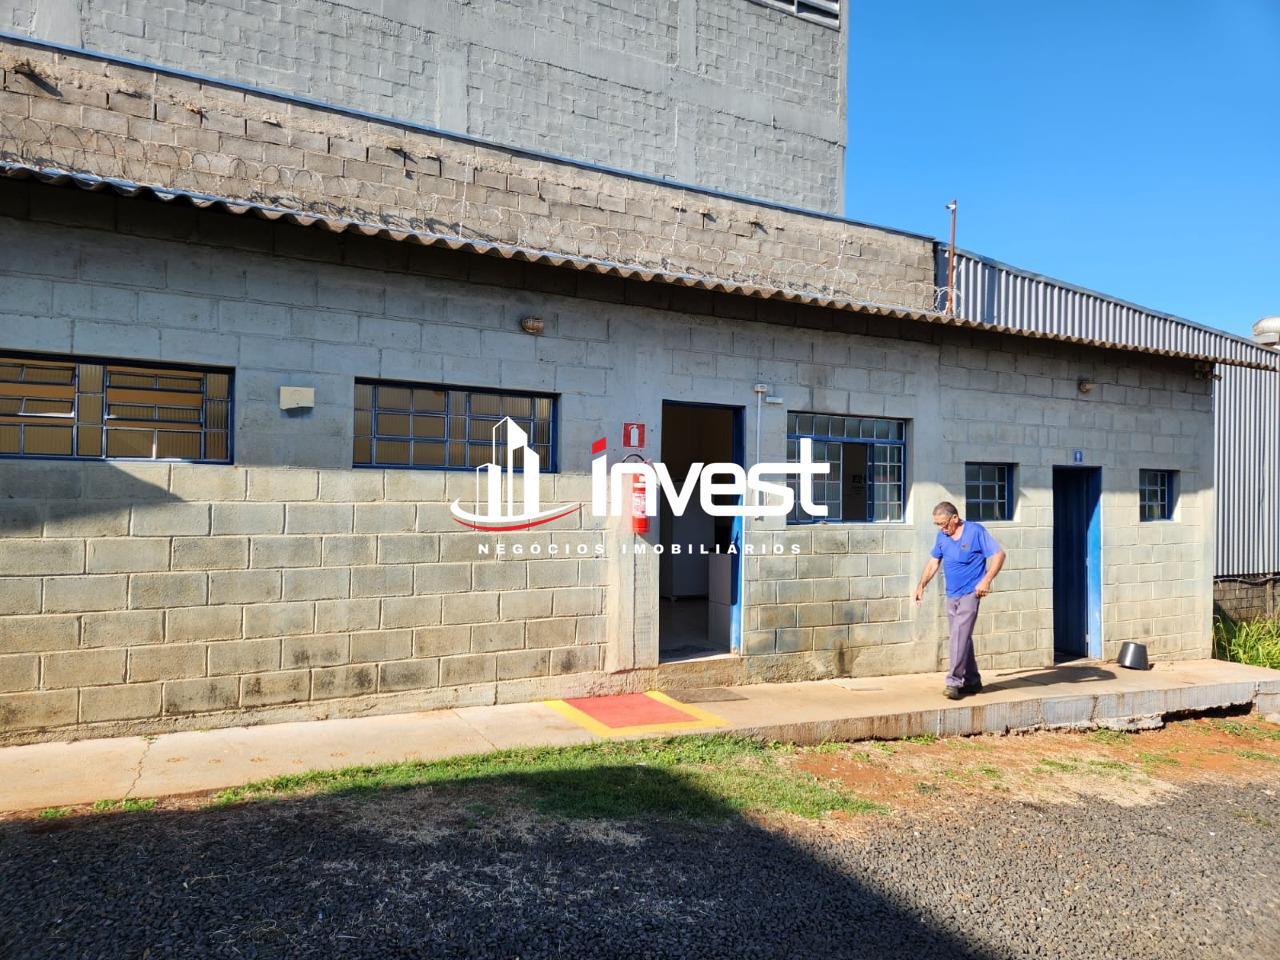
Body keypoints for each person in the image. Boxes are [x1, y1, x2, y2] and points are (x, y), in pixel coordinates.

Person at [913, 501, 1006, 699]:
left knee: (958, 635)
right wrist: (921, 585)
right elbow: (933, 562)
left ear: (955, 518)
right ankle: (972, 680)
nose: (941, 528)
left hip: (971, 593)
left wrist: (986, 580)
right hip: (951, 594)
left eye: (944, 524)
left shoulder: (975, 532)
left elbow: (999, 554)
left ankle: (954, 681)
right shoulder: (942, 536)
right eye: (937, 524)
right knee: (962, 637)